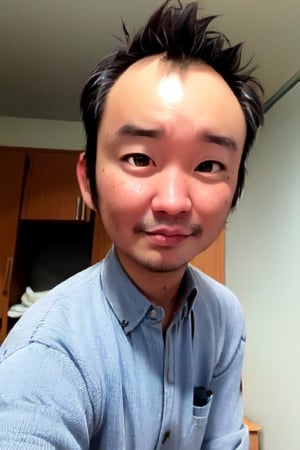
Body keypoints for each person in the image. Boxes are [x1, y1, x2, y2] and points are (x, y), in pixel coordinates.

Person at [0, 1, 264, 449]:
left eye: (208, 164)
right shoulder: (48, 350)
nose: (174, 202)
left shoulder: (224, 316)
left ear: (235, 186)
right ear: (88, 180)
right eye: (140, 158)